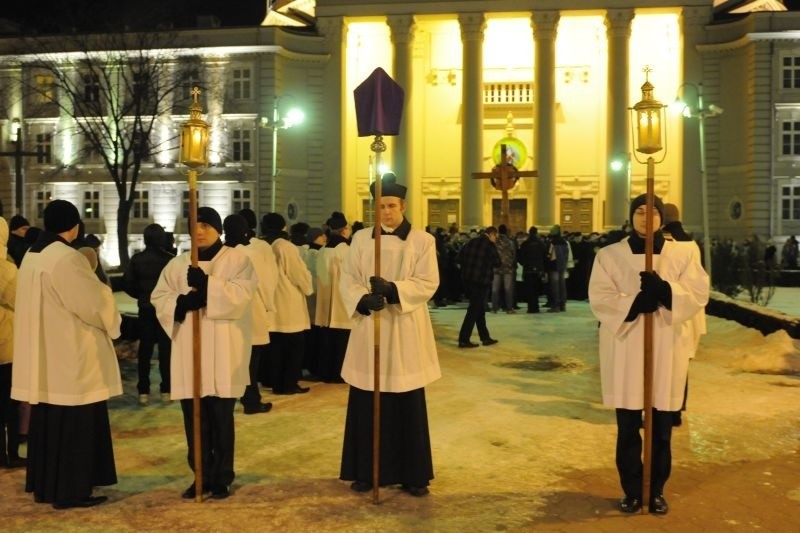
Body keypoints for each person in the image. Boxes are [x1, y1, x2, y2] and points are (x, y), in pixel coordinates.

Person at [588, 194, 709, 515]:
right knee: (628, 427)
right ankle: (631, 489)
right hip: (626, 347)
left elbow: (698, 292)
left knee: (661, 429)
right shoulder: (609, 255)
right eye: (639, 212)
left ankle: (655, 490)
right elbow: (599, 296)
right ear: (632, 217)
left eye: (651, 212)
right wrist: (633, 304)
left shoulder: (685, 252)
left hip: (667, 344)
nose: (645, 217)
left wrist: (666, 291)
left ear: (661, 217)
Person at [12, 199, 122, 509]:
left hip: (47, 354)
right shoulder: (66, 259)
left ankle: (47, 484)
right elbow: (93, 304)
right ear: (73, 228)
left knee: (50, 424)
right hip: (72, 358)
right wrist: (109, 307)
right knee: (76, 427)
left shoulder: (33, 256)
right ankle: (71, 490)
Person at [339, 172, 440, 496]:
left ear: (403, 206)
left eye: (391, 205)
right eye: (380, 206)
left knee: (406, 400)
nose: (386, 212)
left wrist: (395, 289)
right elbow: (349, 277)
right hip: (372, 329)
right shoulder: (361, 239)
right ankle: (367, 471)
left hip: (405, 328)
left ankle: (413, 474)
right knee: (368, 399)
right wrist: (363, 298)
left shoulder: (422, 241)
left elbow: (428, 282)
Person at [151, 206, 257, 499]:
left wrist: (209, 286)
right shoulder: (177, 264)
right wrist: (182, 304)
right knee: (194, 419)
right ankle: (200, 474)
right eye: (194, 225)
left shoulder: (237, 260)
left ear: (218, 229)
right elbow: (159, 296)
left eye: (205, 226)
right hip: (190, 352)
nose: (198, 231)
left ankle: (222, 475)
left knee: (221, 418)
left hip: (223, 350)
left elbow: (243, 296)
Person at [223, 213, 275, 415]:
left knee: (233, 358)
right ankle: (251, 399)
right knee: (250, 360)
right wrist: (269, 305)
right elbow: (265, 282)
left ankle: (234, 395)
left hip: (227, 313)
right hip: (251, 310)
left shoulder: (221, 252)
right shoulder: (251, 253)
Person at [661, 203, 707, 427]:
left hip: (671, 306)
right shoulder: (690, 240)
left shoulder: (668, 241)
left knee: (669, 362)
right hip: (691, 310)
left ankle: (668, 409)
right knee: (682, 363)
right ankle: (678, 407)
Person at [261, 212, 313, 395]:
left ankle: (276, 382)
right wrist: (308, 287)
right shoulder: (286, 247)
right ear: (283, 227)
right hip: (289, 304)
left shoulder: (265, 245)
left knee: (276, 348)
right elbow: (298, 273)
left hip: (272, 302)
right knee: (293, 348)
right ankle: (289, 383)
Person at [123, 223, 174, 406]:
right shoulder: (170, 259)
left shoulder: (137, 259)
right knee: (165, 350)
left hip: (145, 307)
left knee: (145, 350)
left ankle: (143, 390)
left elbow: (127, 283)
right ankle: (166, 388)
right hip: (165, 309)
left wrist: (142, 294)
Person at [314, 212, 351, 382]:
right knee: (341, 340)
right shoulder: (345, 250)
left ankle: (325, 371)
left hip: (324, 299)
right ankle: (339, 372)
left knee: (326, 338)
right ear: (344, 230)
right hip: (341, 300)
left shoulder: (322, 250)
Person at [0, 217, 23, 469]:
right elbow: (20, 300)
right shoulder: (5, 269)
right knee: (9, 403)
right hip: (5, 343)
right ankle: (10, 453)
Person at [457, 227, 501, 348]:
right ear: (491, 234)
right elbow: (498, 262)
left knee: (479, 309)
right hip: (481, 281)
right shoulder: (489, 246)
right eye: (495, 236)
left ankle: (485, 337)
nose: (496, 239)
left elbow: (459, 258)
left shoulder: (471, 242)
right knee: (473, 310)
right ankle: (464, 339)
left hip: (468, 280)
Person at [516, 226, 547, 313]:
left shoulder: (525, 244)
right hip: (538, 270)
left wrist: (525, 264)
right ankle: (536, 307)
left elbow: (520, 257)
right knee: (536, 289)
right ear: (536, 233)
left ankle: (531, 308)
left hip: (527, 270)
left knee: (529, 290)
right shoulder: (541, 244)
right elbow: (545, 257)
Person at [491, 224, 517, 313]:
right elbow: (514, 254)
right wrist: (510, 263)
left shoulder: (494, 242)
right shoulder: (510, 242)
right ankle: (509, 308)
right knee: (508, 289)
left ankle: (494, 308)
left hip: (496, 268)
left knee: (495, 289)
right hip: (508, 268)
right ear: (506, 231)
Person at [546, 225, 570, 312]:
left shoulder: (552, 242)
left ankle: (556, 306)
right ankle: (563, 305)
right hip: (562, 266)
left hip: (554, 266)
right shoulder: (564, 242)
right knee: (562, 285)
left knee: (555, 286)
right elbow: (567, 255)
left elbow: (548, 255)